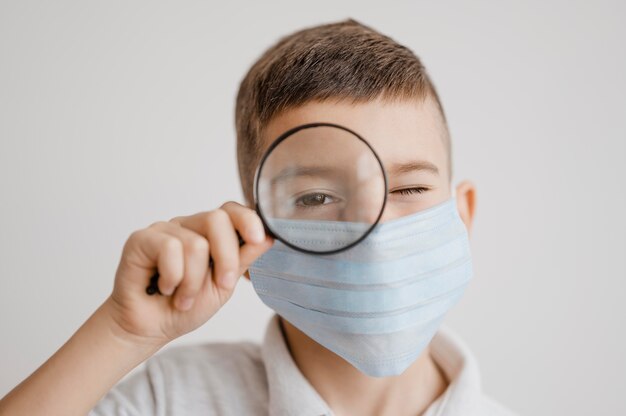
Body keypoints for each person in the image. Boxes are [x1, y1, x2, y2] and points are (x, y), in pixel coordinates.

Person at [0, 18, 516, 416]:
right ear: (253, 235)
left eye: (408, 187)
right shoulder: (170, 398)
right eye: (315, 198)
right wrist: (121, 333)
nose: (373, 231)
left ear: (462, 216)